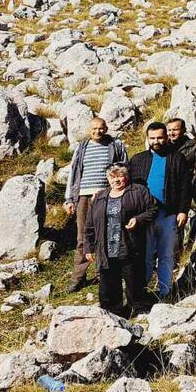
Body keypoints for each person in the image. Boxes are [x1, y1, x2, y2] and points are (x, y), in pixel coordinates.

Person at [126, 122, 192, 300]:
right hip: (145, 216)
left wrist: (183, 210)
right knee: (145, 255)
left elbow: (185, 186)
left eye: (160, 137)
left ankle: (166, 291)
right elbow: (130, 188)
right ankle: (142, 292)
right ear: (147, 138)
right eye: (152, 138)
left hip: (168, 214)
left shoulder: (177, 158)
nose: (156, 141)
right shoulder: (137, 159)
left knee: (166, 255)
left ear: (166, 137)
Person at [83, 164, 157, 318]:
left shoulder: (138, 191)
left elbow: (153, 210)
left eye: (120, 176)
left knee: (134, 278)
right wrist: (88, 247)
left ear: (126, 177)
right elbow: (89, 225)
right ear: (108, 178)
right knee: (108, 283)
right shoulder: (100, 197)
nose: (116, 180)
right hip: (106, 248)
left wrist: (138, 219)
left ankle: (139, 309)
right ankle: (113, 313)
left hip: (130, 245)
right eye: (112, 177)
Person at [63, 117, 127, 292]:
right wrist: (69, 199)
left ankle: (104, 273)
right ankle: (78, 277)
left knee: (107, 234)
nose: (97, 131)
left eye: (101, 128)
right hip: (83, 197)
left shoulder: (115, 145)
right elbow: (73, 173)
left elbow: (124, 169)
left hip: (107, 196)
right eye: (94, 128)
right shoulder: (81, 147)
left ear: (106, 128)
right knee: (82, 237)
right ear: (88, 129)